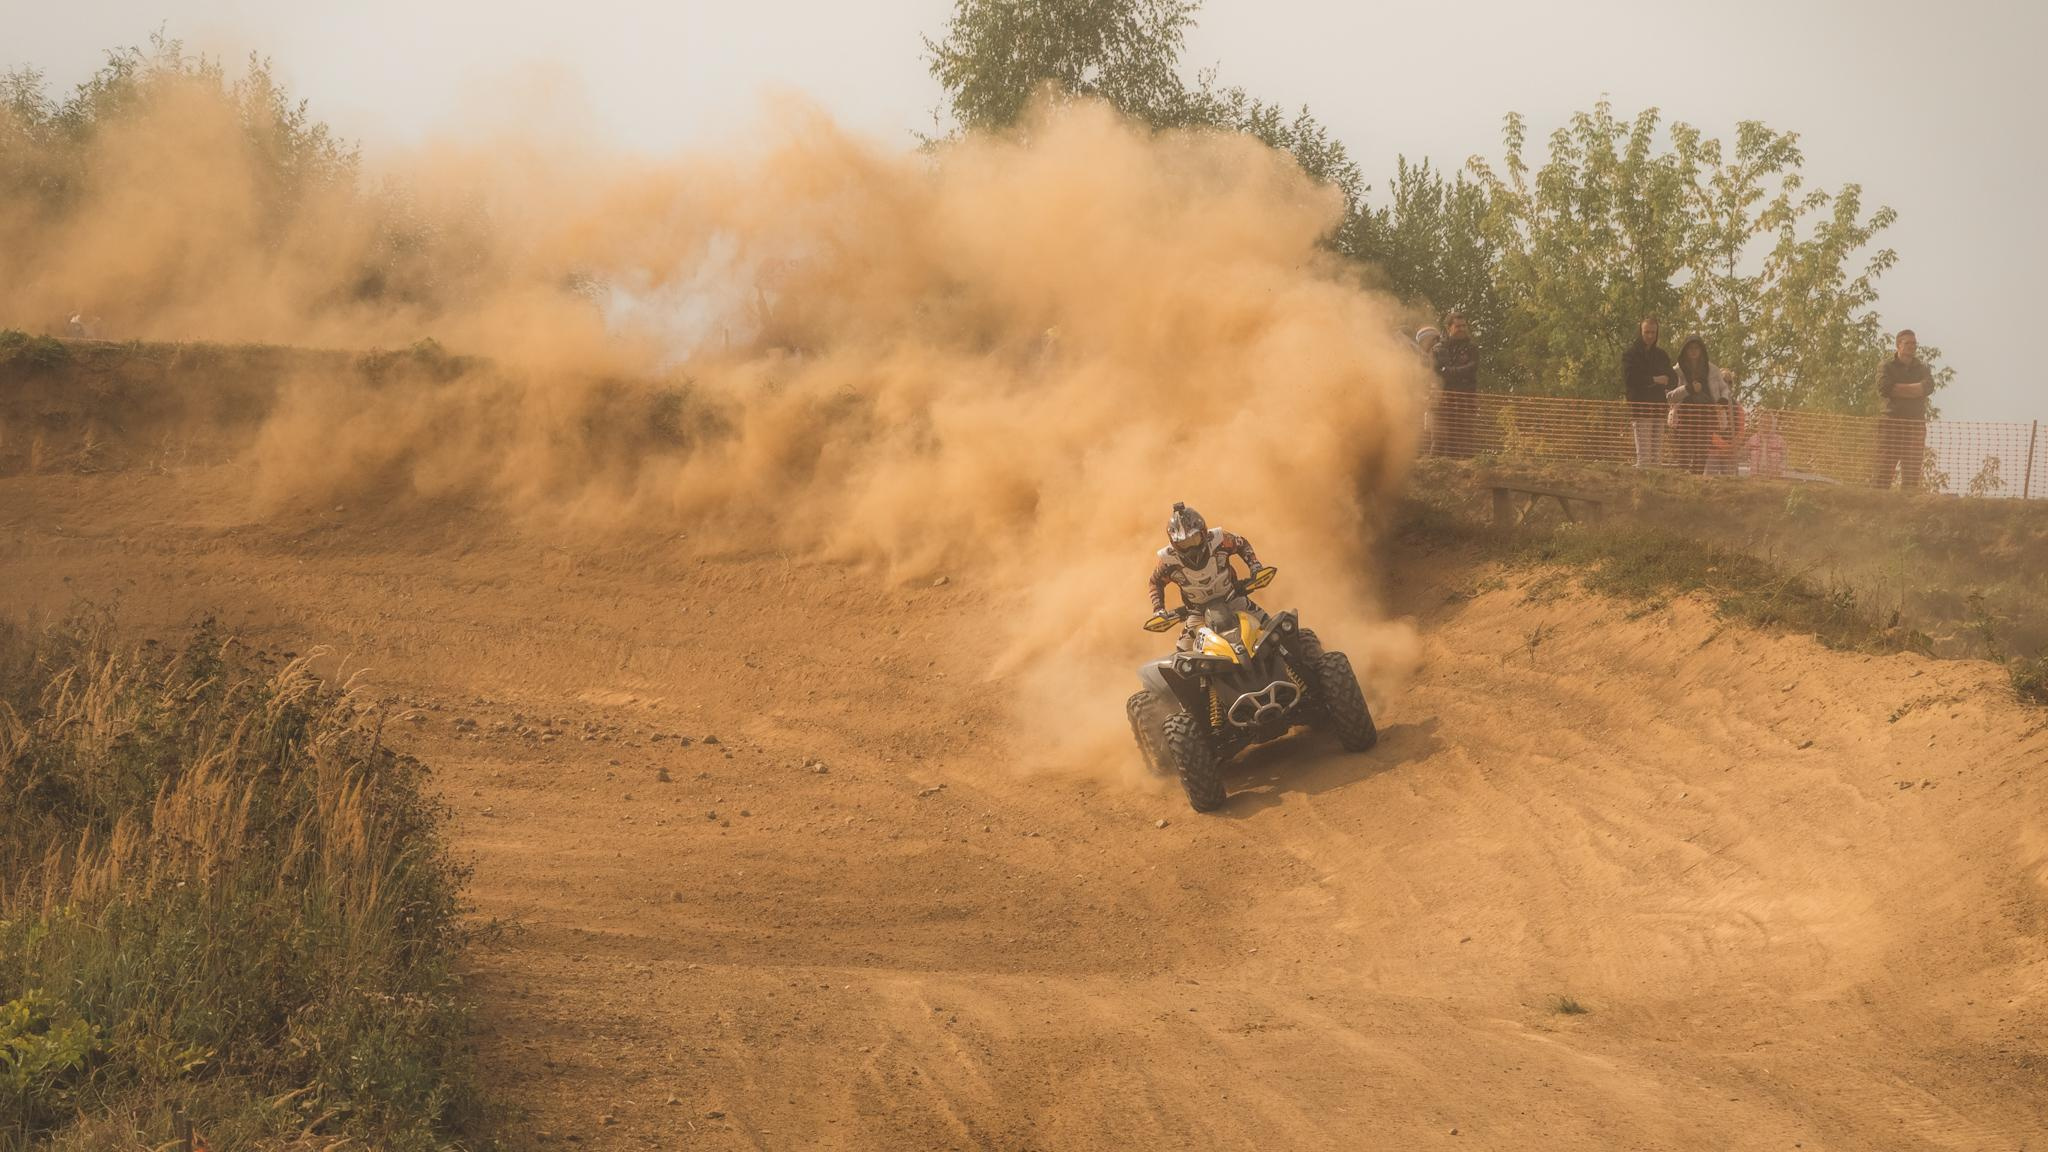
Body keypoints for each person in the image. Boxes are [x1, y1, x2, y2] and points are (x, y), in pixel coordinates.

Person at [1149, 503, 1266, 651]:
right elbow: (1155, 582)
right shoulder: (1168, 560)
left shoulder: (1219, 539)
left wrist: (1255, 566)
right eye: (1184, 543)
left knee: (1275, 629)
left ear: (1204, 532)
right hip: (1197, 614)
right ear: (1174, 544)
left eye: (1194, 539)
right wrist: (1158, 609)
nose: (1191, 547)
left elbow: (1241, 543)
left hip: (1234, 599)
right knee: (1182, 657)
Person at [1873, 329, 1933, 491]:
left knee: (1912, 472)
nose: (1912, 346)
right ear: (1898, 345)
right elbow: (1884, 388)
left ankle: (1907, 511)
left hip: (1915, 425)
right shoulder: (1886, 365)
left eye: (1914, 343)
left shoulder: (1923, 368)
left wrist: (1898, 389)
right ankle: (1877, 506)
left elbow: (1928, 387)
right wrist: (1916, 390)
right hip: (1891, 423)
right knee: (1884, 468)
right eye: (1908, 343)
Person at [1622, 317, 1675, 467]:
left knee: (1656, 457)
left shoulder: (1661, 355)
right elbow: (1630, 379)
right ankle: (1641, 488)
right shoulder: (1630, 354)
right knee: (1644, 457)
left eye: (1653, 332)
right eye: (1647, 332)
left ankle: (1655, 487)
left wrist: (1666, 380)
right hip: (1640, 408)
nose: (1650, 336)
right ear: (1640, 332)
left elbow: (1673, 379)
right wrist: (1654, 379)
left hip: (1658, 408)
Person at [1667, 337, 1720, 474]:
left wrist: (1722, 402)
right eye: (1690, 348)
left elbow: (1722, 390)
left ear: (1702, 351)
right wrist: (1688, 389)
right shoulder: (1676, 371)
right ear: (1685, 351)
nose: (1694, 351)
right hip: (1685, 414)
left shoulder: (1712, 370)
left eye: (1697, 348)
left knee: (1702, 448)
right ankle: (1683, 478)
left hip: (1705, 413)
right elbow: (1669, 396)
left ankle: (1697, 478)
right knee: (1684, 447)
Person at [1432, 311, 1479, 458]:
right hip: (1442, 400)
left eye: (1464, 326)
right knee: (1439, 440)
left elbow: (1472, 368)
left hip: (1465, 400)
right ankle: (1434, 472)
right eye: (1458, 326)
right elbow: (1437, 372)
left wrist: (1449, 371)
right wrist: (1456, 372)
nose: (1462, 329)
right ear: (1448, 327)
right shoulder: (1438, 349)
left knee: (1464, 440)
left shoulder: (1472, 348)